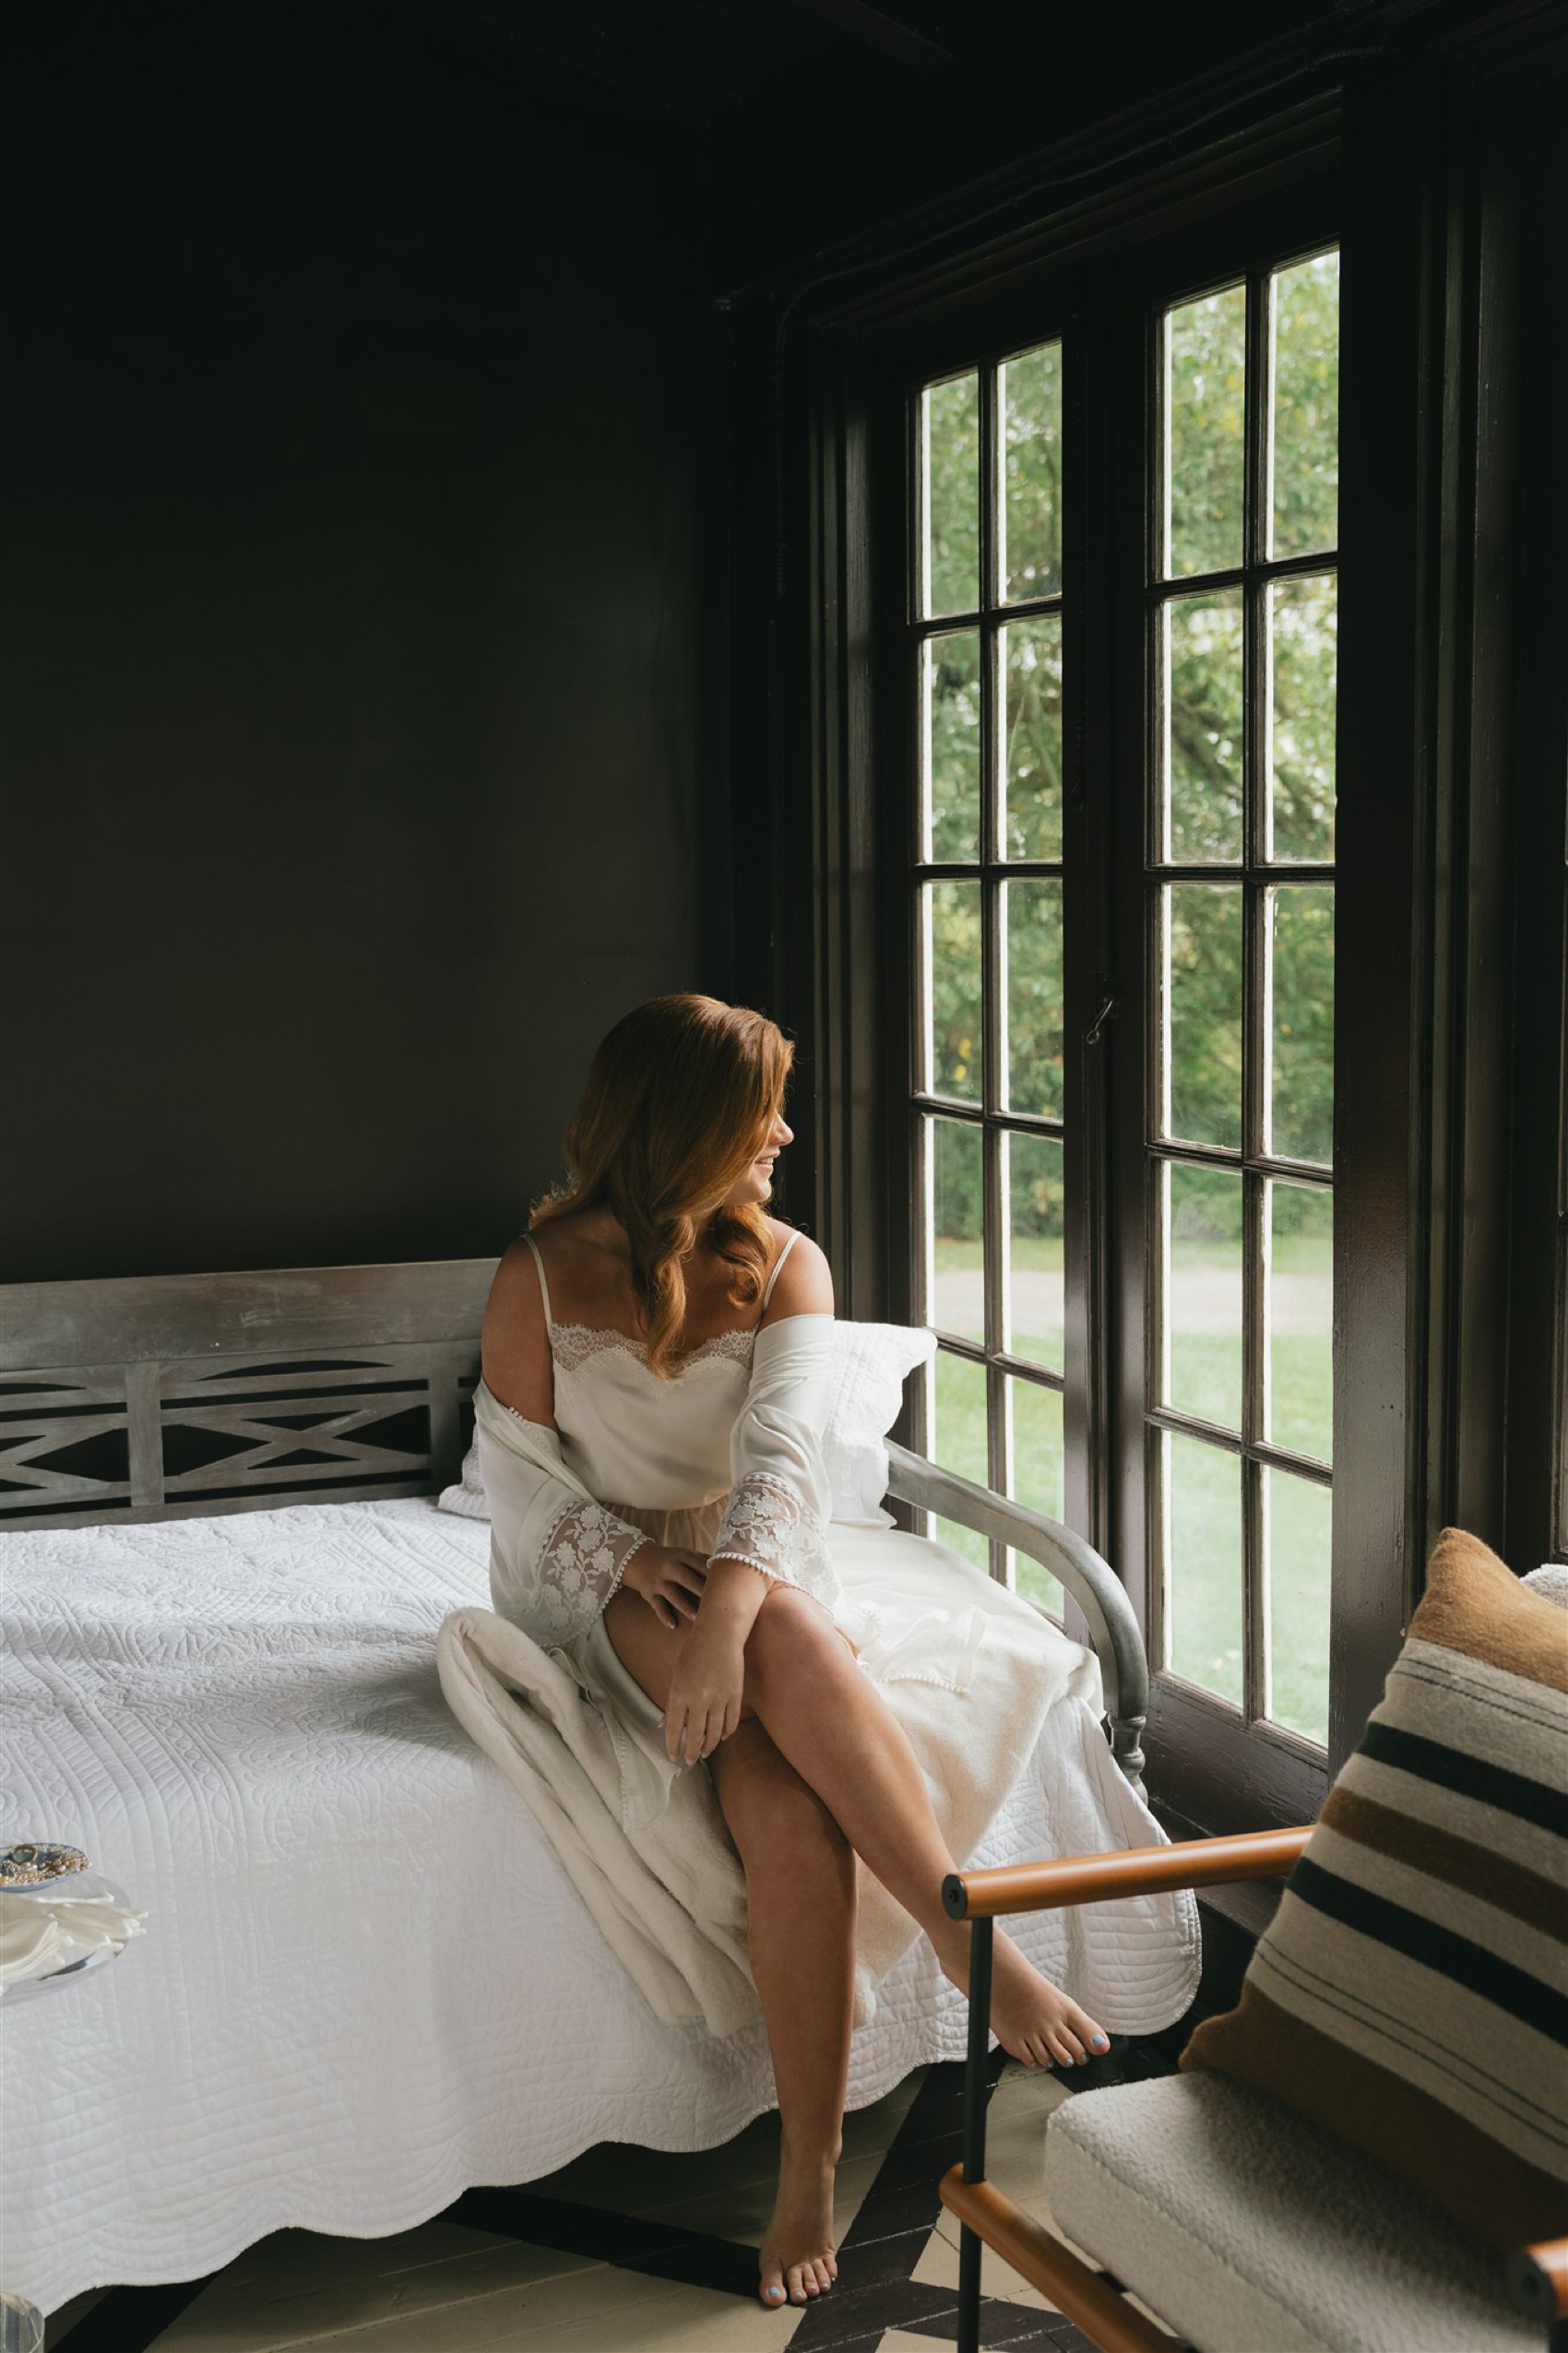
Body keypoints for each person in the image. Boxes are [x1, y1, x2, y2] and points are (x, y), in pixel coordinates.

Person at [476, 992, 1116, 2311]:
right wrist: (628, 1559)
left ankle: (817, 2153)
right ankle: (964, 1934)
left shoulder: (788, 1263)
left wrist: (727, 1624)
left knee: (787, 1814)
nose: (784, 1131)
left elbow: (778, 1470)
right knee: (763, 1646)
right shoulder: (539, 1269)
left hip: (758, 1569)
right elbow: (521, 1482)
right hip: (607, 1588)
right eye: (761, 1107)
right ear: (690, 1122)